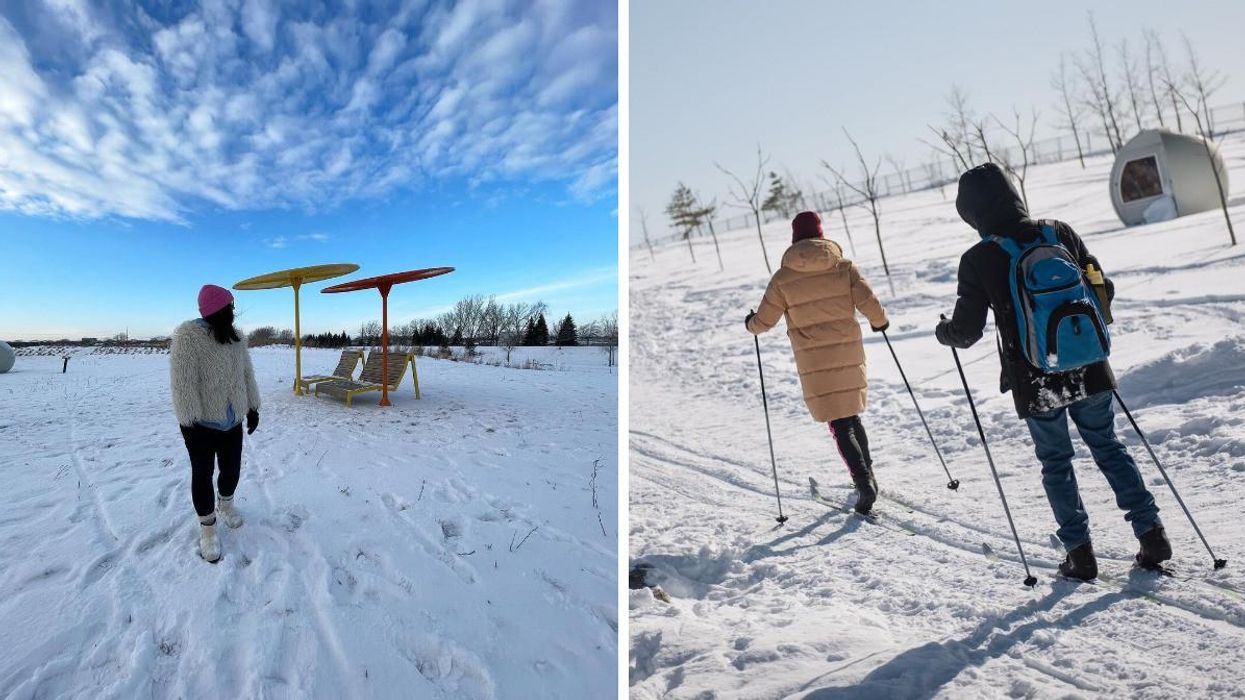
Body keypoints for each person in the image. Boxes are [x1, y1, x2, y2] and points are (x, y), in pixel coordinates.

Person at [934, 162, 1169, 581]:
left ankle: (1080, 554)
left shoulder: (978, 258)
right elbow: (1103, 290)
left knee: (1056, 461)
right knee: (1109, 447)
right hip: (1089, 364)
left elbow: (966, 332)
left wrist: (944, 333)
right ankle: (1151, 533)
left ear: (970, 212)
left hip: (1036, 378)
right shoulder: (1059, 232)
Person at [746, 211, 889, 514]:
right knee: (851, 415)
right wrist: (880, 322)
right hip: (848, 352)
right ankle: (869, 476)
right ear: (821, 235)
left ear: (795, 238)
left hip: (813, 358)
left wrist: (750, 324)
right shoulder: (844, 267)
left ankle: (863, 483)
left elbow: (764, 321)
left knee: (839, 423)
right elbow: (870, 302)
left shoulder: (783, 278)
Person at [170, 284, 262, 563]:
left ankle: (226, 505)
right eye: (229, 308)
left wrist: (253, 407)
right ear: (215, 311)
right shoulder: (188, 338)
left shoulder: (235, 337)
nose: (233, 313)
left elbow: (246, 373)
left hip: (232, 420)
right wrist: (190, 422)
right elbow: (182, 384)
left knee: (232, 469)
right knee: (202, 473)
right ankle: (208, 529)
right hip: (201, 424)